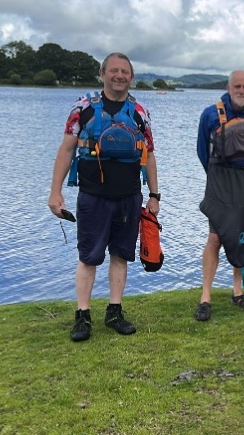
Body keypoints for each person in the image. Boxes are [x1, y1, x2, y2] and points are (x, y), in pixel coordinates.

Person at [48, 52, 160, 342]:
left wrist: (154, 194)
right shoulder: (83, 108)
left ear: (131, 77)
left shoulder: (139, 112)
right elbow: (66, 150)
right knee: (88, 257)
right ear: (102, 73)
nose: (119, 76)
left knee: (121, 255)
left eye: (125, 71)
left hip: (129, 197)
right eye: (114, 70)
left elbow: (149, 157)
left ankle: (114, 311)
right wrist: (55, 191)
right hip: (92, 196)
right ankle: (82, 316)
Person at [195, 70, 244, 322]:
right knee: (215, 237)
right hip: (219, 181)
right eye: (236, 86)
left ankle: (237, 292)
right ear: (228, 88)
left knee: (243, 234)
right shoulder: (210, 114)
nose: (241, 91)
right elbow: (201, 151)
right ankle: (205, 297)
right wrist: (219, 174)